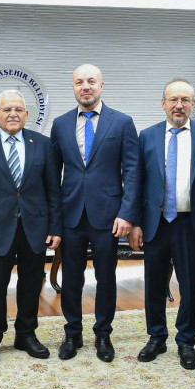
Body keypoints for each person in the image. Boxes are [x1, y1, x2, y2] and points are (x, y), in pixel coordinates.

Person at [128, 79, 195, 370]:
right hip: (155, 223)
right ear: (163, 104)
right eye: (173, 100)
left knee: (191, 285)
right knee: (154, 284)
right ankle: (156, 337)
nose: (179, 105)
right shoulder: (147, 136)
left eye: (185, 100)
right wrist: (135, 223)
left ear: (193, 104)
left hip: (191, 223)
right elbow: (137, 183)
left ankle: (186, 341)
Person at [50, 64, 140, 362]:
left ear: (102, 85)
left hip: (109, 217)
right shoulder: (60, 124)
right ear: (73, 87)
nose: (85, 86)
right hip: (71, 215)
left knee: (106, 277)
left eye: (91, 81)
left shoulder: (122, 122)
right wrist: (54, 221)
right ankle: (72, 332)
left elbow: (133, 172)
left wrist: (127, 214)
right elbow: (52, 175)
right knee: (71, 278)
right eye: (79, 82)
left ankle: (103, 333)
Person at [0, 89, 63, 367]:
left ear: (27, 115)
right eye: (7, 109)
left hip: (35, 227)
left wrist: (55, 227)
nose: (13, 114)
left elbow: (53, 191)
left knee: (31, 284)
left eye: (18, 109)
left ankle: (26, 334)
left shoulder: (43, 144)